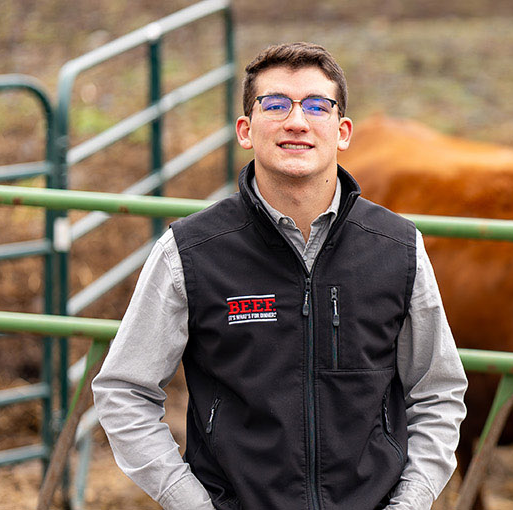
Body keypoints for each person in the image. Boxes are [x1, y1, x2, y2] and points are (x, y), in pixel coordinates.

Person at [93, 42, 468, 510]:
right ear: (246, 130)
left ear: (343, 130)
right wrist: (189, 501)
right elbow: (124, 389)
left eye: (317, 106)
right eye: (275, 104)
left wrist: (410, 502)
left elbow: (438, 392)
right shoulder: (190, 252)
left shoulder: (397, 248)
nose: (297, 121)